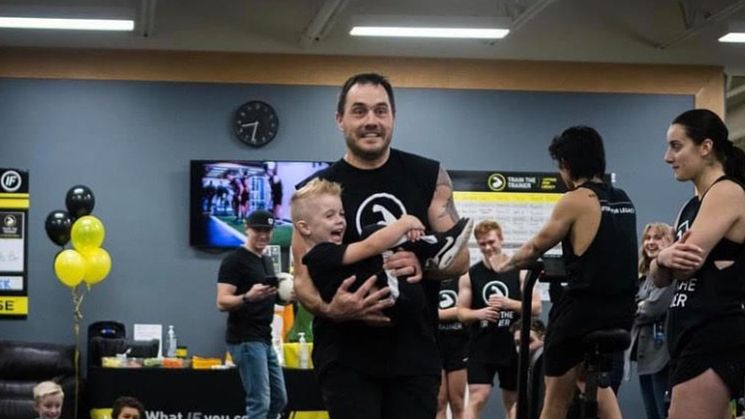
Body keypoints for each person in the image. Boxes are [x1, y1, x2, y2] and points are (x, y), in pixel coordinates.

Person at [291, 72, 470, 419]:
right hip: (345, 356)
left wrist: (424, 265)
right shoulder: (314, 191)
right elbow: (302, 278)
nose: (371, 120)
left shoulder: (429, 175)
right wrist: (333, 309)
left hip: (414, 353)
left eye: (380, 110)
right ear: (340, 119)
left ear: (393, 117)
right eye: (359, 111)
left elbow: (460, 258)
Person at [497, 125, 638, 419]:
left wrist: (506, 265)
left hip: (582, 315)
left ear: (567, 164)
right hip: (622, 313)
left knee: (555, 399)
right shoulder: (624, 199)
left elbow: (535, 247)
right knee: (590, 379)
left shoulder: (575, 199)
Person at [651, 109, 745, 419]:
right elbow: (659, 277)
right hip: (687, 331)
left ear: (705, 147)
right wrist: (662, 258)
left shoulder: (727, 191)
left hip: (713, 331)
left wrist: (665, 259)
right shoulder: (690, 206)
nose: (668, 157)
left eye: (676, 146)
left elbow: (686, 266)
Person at [457, 220, 541, 419]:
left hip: (513, 346)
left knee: (514, 401)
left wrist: (509, 303)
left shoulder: (519, 271)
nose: (488, 248)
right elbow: (461, 312)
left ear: (501, 239)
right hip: (482, 345)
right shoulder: (470, 275)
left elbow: (536, 308)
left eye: (491, 242)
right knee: (478, 396)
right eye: (482, 244)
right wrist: (479, 313)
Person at [217, 209, 287, 418]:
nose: (263, 235)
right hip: (245, 339)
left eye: (268, 230)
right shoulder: (234, 260)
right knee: (260, 403)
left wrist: (284, 295)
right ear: (247, 229)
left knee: (278, 399)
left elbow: (266, 296)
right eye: (258, 230)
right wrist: (248, 296)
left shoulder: (266, 261)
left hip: (265, 338)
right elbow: (222, 301)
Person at [628, 222, 675, 419]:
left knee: (663, 411)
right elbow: (637, 305)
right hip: (645, 355)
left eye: (658, 237)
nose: (650, 242)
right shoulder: (645, 275)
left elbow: (652, 308)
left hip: (663, 357)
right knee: (652, 413)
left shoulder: (672, 273)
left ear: (671, 242)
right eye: (647, 238)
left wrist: (635, 307)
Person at [436, 277, 468, 419]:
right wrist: (459, 311)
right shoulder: (431, 281)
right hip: (436, 346)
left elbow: (469, 309)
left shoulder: (462, 280)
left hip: (459, 346)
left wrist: (439, 314)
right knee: (439, 402)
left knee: (457, 403)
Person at [511, 318, 547, 419]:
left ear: (543, 339)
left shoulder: (546, 368)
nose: (522, 348)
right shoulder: (529, 369)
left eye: (529, 341)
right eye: (517, 343)